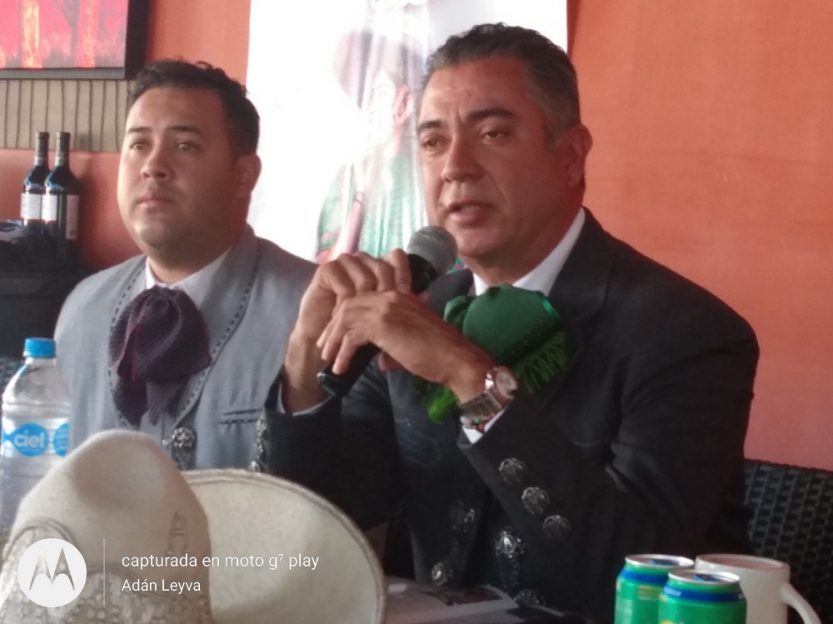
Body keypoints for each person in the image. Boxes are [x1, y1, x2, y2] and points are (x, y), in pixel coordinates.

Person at [265, 23, 758, 622]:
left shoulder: (687, 333)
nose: (455, 167)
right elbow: (312, 528)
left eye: (493, 133)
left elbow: (635, 577)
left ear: (571, 156)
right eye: (433, 141)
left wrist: (471, 379)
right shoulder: (417, 308)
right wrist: (303, 363)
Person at [55, 60, 315, 470]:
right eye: (138, 145)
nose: (152, 166)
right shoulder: (82, 311)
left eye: (184, 146)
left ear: (244, 175)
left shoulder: (311, 311)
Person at [315, 29, 426, 261]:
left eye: (382, 93)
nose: (373, 108)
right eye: (369, 96)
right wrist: (361, 195)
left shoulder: (427, 173)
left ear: (406, 103)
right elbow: (327, 266)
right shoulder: (348, 177)